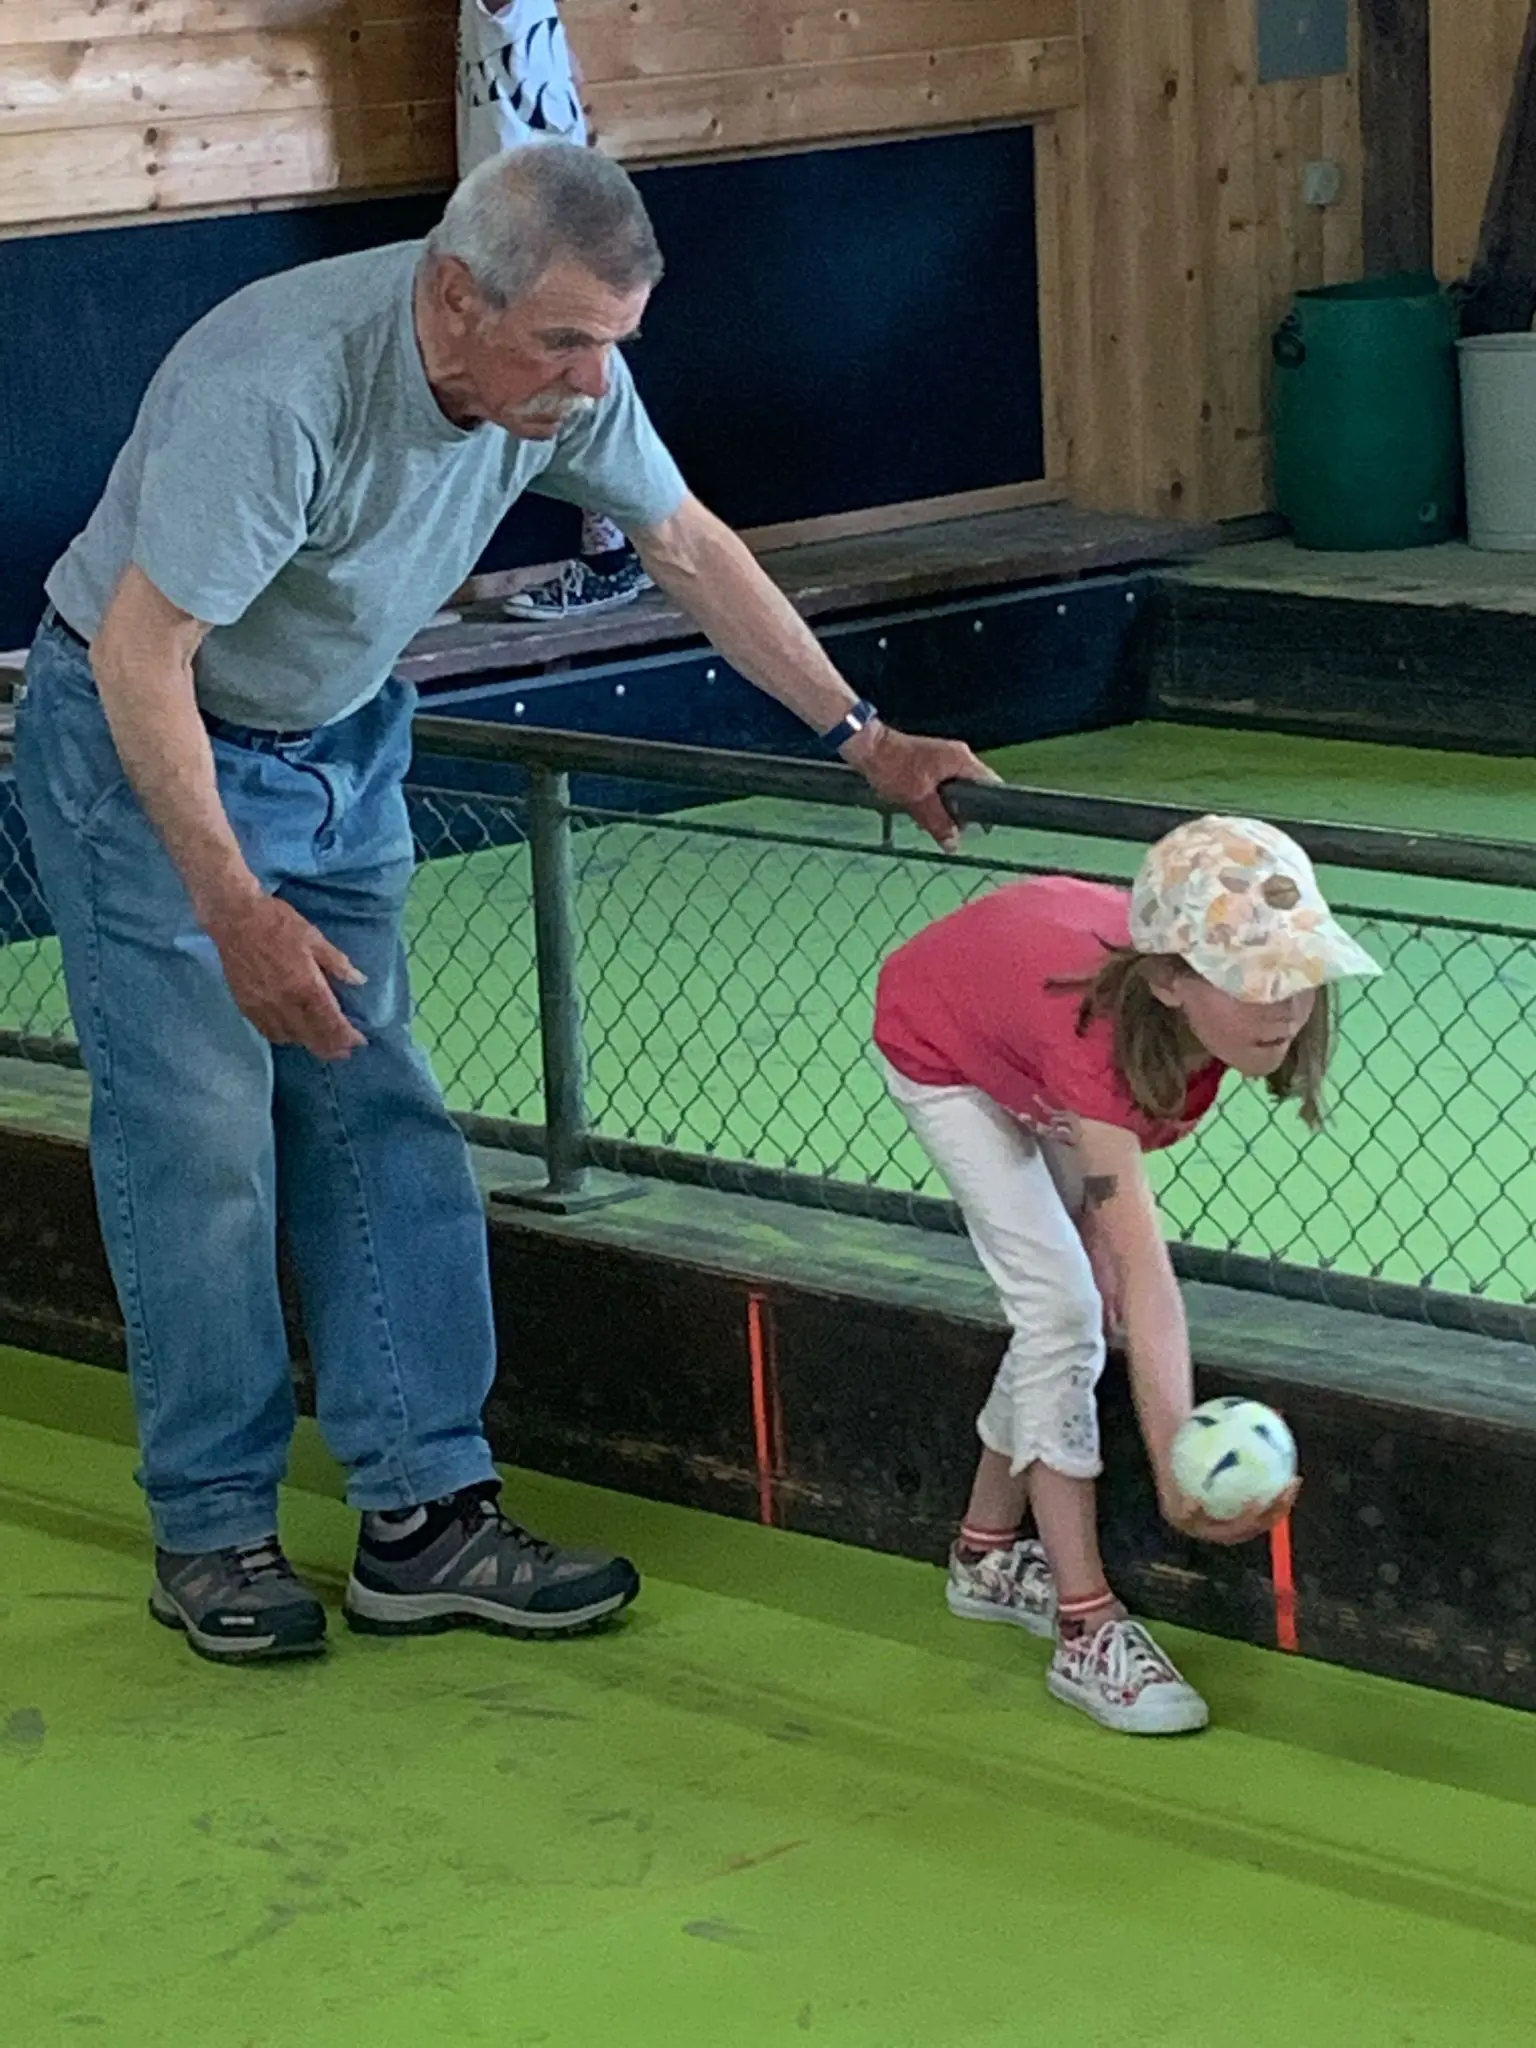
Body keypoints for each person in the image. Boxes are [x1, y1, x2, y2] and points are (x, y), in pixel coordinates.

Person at [15, 142, 995, 1666]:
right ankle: (213, 1529)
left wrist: (861, 736)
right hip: (150, 748)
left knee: (375, 1102)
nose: (594, 381)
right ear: (453, 296)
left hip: (339, 737)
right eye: (565, 342)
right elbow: (148, 658)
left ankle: (424, 1519)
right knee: (201, 1132)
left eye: (618, 342)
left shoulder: (566, 375)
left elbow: (683, 542)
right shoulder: (282, 387)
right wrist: (232, 908)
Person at [873, 816, 1381, 1734]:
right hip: (942, 1047)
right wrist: (1176, 1471)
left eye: (1297, 974)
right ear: (1170, 981)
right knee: (1065, 1309)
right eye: (1248, 977)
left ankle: (987, 1557)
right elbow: (1152, 1282)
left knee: (1070, 1301)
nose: (1282, 1005)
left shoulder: (1186, 1027)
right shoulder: (1104, 1044)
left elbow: (1128, 1253)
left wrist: (1103, 1244)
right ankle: (1084, 1622)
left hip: (1027, 1035)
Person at [458, 0, 648, 619]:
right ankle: (614, 555)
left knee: (572, 381)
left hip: (533, 217)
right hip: (522, 208)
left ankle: (612, 559)